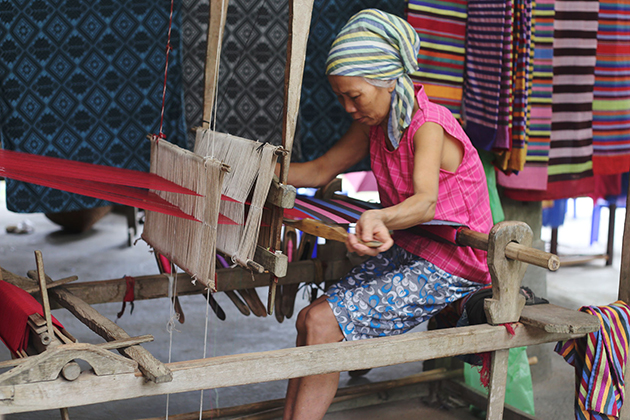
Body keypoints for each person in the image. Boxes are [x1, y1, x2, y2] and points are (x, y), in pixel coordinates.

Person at [282, 9, 493, 420]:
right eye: (340, 96)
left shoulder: (429, 124)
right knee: (310, 320)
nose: (347, 107)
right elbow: (321, 170)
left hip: (456, 264)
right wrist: (255, 168)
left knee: (324, 324)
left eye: (354, 95)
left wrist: (379, 218)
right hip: (414, 250)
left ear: (388, 81)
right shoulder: (375, 124)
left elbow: (425, 203)